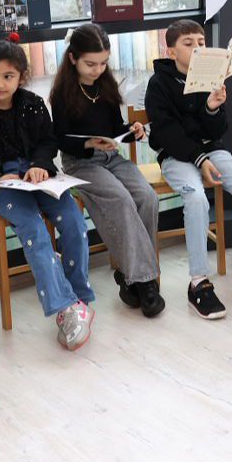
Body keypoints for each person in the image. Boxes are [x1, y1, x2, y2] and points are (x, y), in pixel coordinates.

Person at [0, 38, 95, 351]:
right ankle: (66, 308)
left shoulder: (33, 103)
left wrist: (40, 165)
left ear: (21, 77)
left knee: (73, 220)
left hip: (38, 177)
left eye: (8, 76)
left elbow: (48, 141)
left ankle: (78, 299)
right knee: (33, 229)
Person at [147, 19, 232, 319]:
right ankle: (198, 282)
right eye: (189, 43)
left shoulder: (211, 77)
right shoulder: (158, 84)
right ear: (172, 52)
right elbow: (168, 133)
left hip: (212, 151)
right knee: (196, 198)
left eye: (201, 42)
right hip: (176, 156)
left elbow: (219, 130)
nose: (197, 47)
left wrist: (212, 107)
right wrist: (199, 159)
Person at [50, 24, 164, 318]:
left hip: (111, 157)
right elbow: (58, 139)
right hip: (80, 162)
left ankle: (131, 276)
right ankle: (146, 283)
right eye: (91, 64)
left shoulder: (106, 84)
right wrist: (88, 143)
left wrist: (132, 130)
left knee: (147, 197)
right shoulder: (62, 93)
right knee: (121, 199)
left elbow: (114, 128)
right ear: (73, 58)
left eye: (103, 63)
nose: (98, 70)